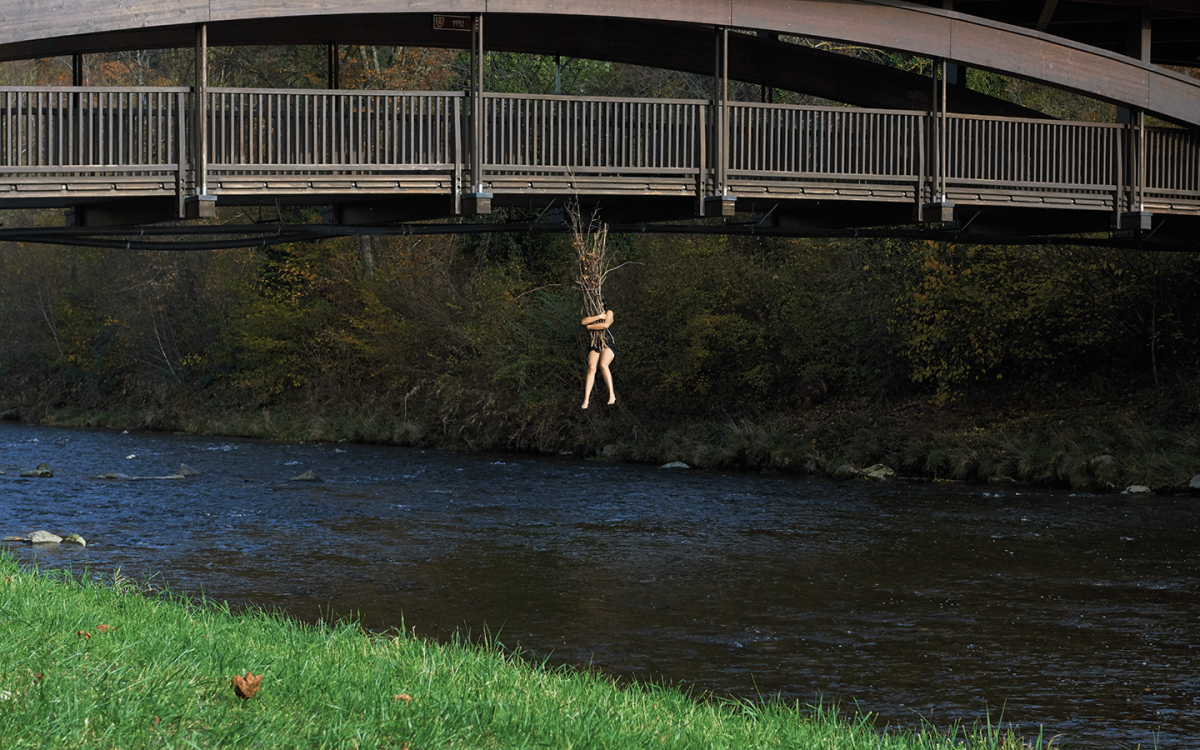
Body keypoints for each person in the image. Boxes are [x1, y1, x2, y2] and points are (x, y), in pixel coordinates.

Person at [580, 305, 615, 409]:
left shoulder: (609, 312)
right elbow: (583, 322)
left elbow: (605, 325)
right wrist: (599, 316)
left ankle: (612, 394)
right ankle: (586, 399)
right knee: (591, 367)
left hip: (608, 343)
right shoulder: (593, 315)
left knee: (603, 364)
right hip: (595, 344)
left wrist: (590, 327)